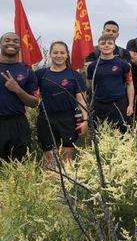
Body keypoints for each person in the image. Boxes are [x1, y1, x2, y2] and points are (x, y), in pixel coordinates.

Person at [36, 41, 87, 166]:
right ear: (50, 54)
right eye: (55, 52)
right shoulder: (40, 74)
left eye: (62, 52)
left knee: (67, 156)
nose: (59, 55)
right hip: (46, 118)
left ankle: (67, 184)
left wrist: (85, 120)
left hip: (68, 119)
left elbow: (81, 100)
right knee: (49, 157)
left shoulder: (75, 75)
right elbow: (31, 95)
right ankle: (48, 184)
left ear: (67, 55)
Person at [0, 33, 39, 162]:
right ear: (1, 44)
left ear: (20, 47)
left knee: (19, 166)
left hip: (18, 124)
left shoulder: (27, 71)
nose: (11, 43)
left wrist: (17, 89)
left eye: (16, 41)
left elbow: (34, 103)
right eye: (7, 40)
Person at [88, 35, 134, 132]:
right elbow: (89, 86)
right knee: (100, 134)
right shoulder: (92, 66)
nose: (106, 46)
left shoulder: (123, 64)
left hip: (119, 104)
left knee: (122, 134)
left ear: (114, 46)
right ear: (99, 46)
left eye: (109, 43)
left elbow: (130, 84)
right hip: (99, 105)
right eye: (103, 43)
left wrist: (130, 105)